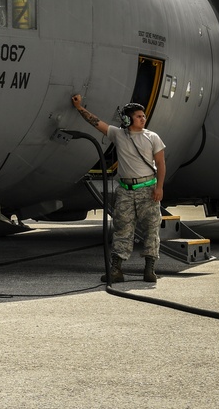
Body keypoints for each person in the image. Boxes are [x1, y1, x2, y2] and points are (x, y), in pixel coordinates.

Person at [71, 94, 165, 283]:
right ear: (127, 119)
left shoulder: (152, 137)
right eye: (138, 116)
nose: (143, 118)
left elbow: (161, 164)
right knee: (122, 229)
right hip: (125, 190)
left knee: (151, 230)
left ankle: (149, 268)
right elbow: (96, 123)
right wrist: (79, 108)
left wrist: (159, 188)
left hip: (148, 189)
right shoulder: (118, 134)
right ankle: (116, 269)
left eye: (143, 116)